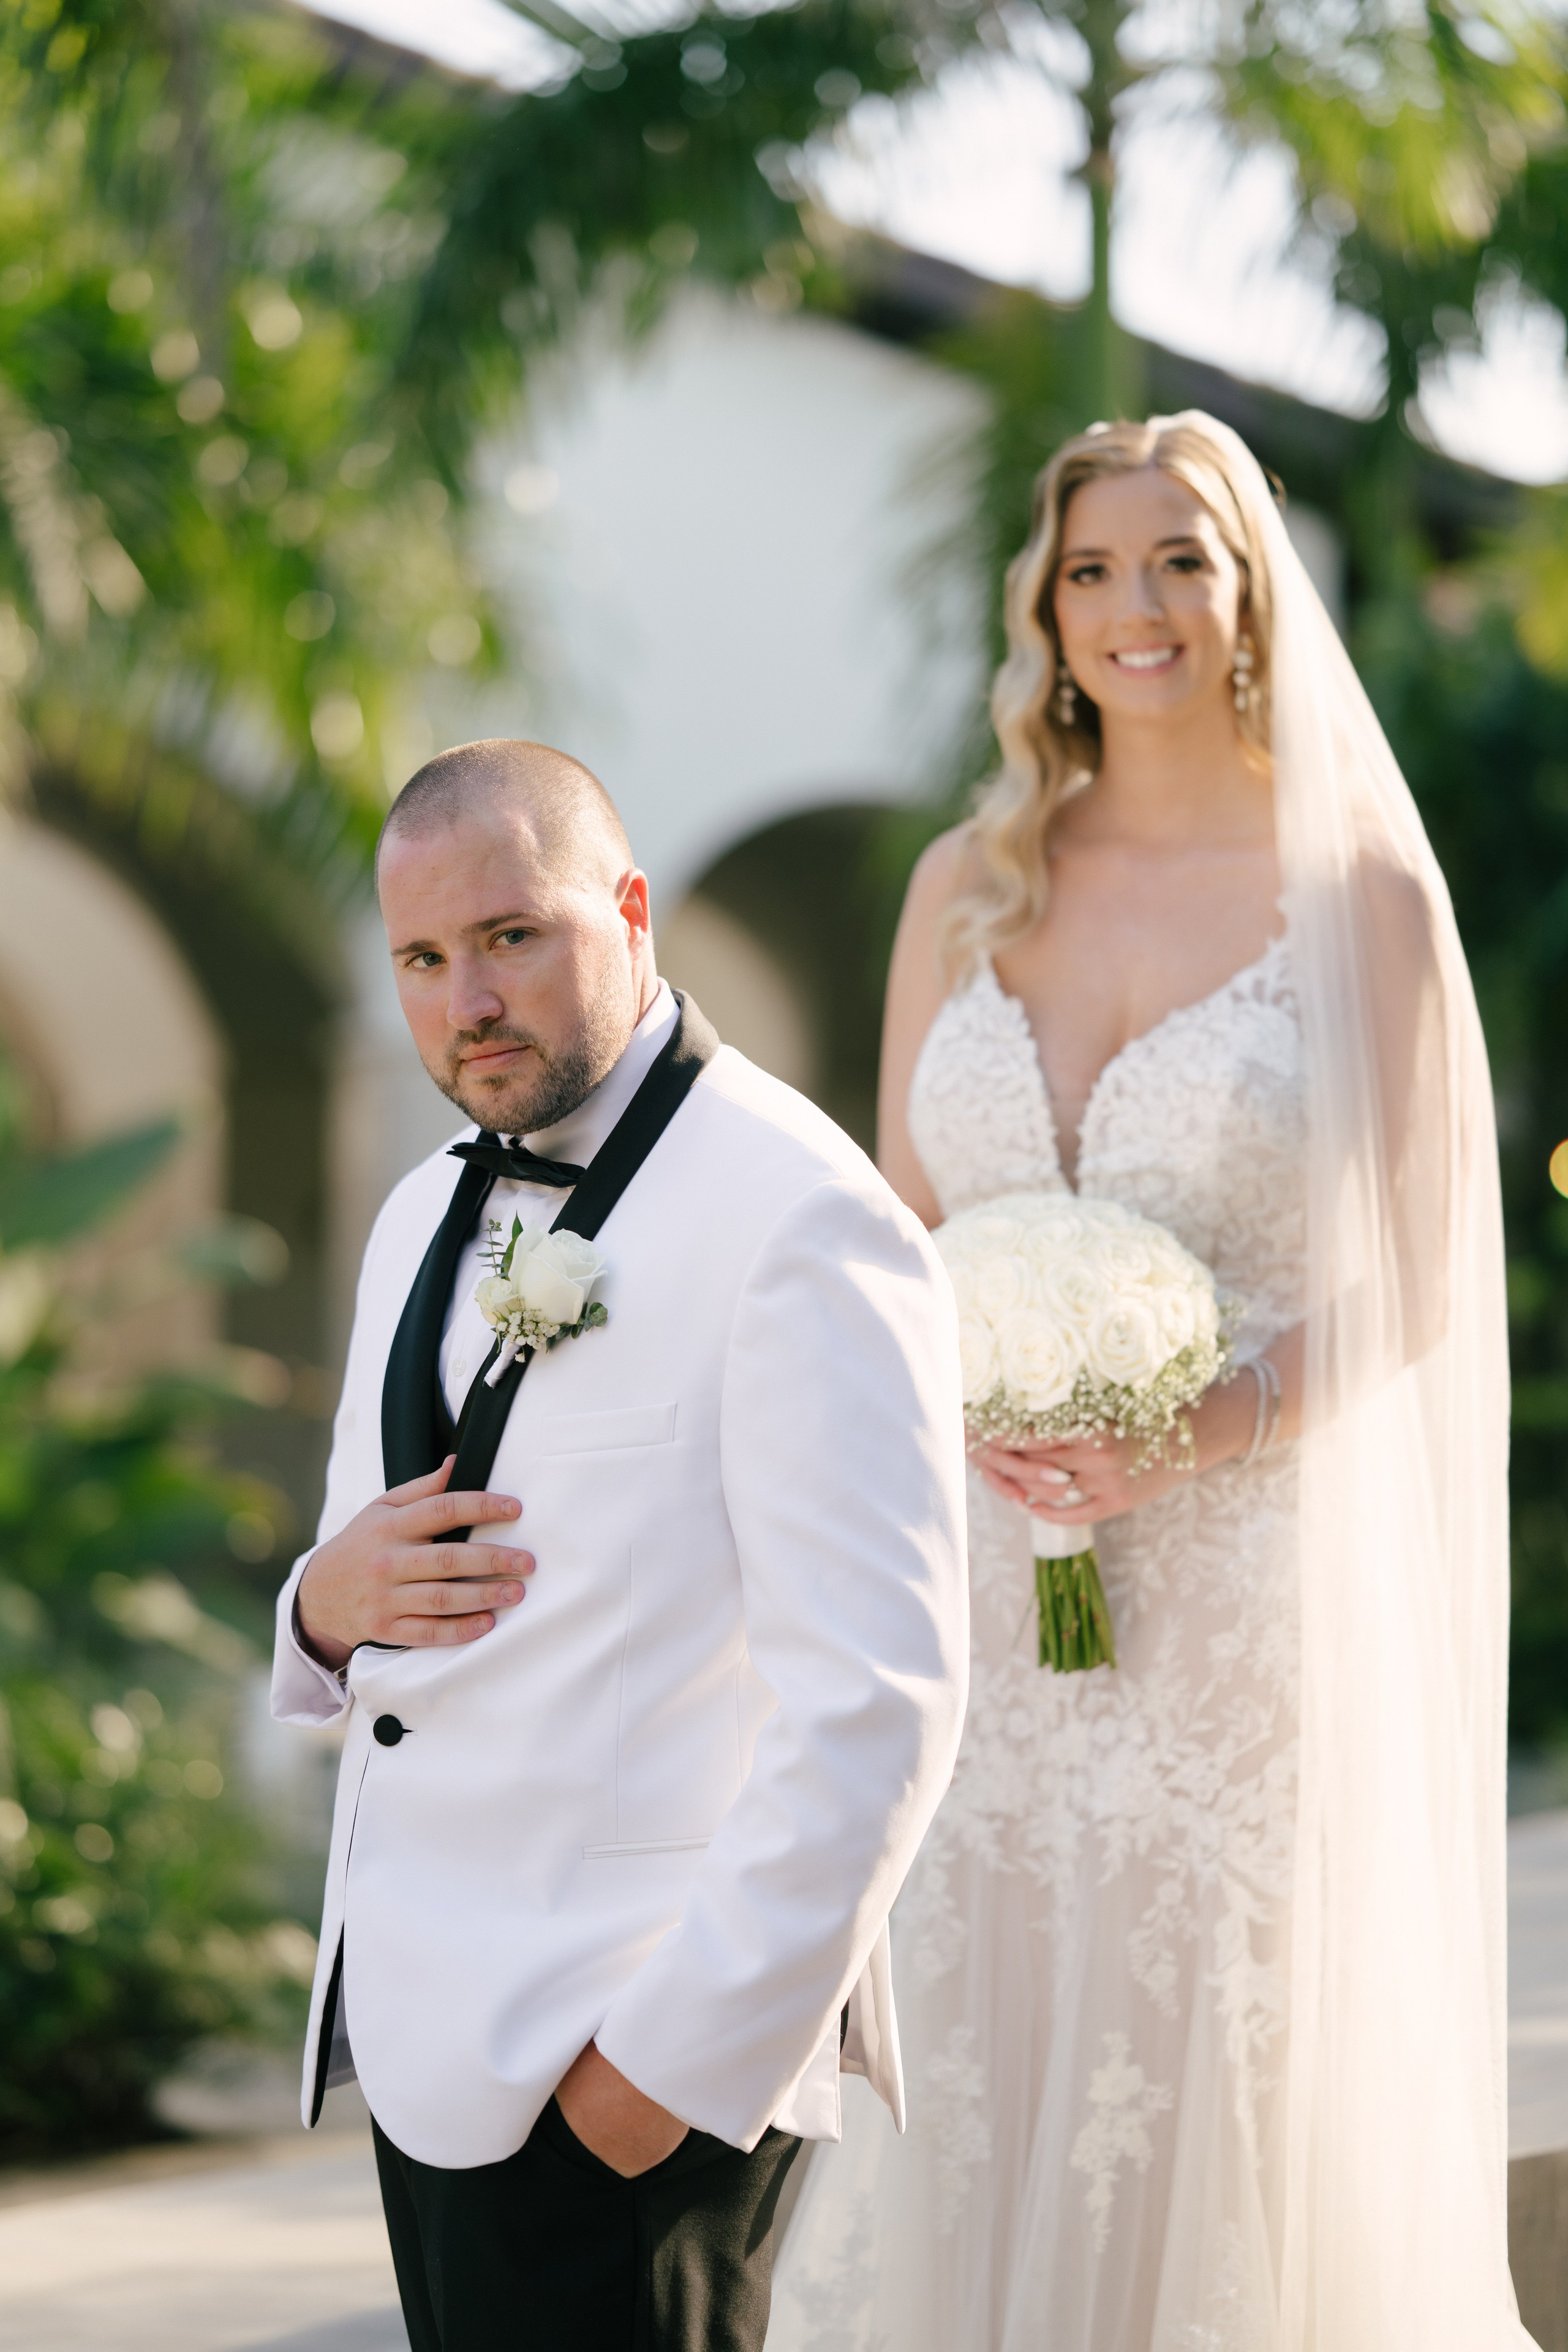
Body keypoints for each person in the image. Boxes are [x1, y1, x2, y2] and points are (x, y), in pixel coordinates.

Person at [769, 414, 1531, 2350]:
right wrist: (968, 1413)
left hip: (1244, 1614)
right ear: (1046, 610)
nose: (1138, 608)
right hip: (989, 1594)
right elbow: (903, 1238)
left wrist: (1207, 1425)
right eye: (1094, 571)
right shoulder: (970, 879)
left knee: (1209, 2068)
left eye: (1180, 560)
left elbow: (1431, 1278)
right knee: (975, 2042)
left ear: (1254, 590)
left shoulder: (1356, 892)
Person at [270, 739, 970, 2352]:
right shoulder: (420, 1208)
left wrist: (664, 2072)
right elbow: (351, 1582)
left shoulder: (803, 1215)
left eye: (513, 936)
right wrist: (318, 1609)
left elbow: (880, 1703)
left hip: (633, 2060)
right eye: (425, 961)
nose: (469, 1000)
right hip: (428, 2045)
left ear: (632, 911)